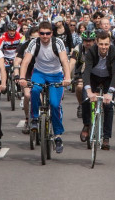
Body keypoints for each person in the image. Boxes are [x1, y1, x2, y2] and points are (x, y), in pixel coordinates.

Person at [19, 21, 71, 153]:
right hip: (39, 73)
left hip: (56, 75)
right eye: (42, 33)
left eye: (47, 33)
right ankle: (35, 118)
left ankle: (58, 136)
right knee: (35, 90)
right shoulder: (34, 43)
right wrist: (22, 78)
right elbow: (25, 61)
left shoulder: (58, 42)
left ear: (51, 33)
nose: (44, 36)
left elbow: (64, 61)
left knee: (54, 104)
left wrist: (67, 78)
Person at [80, 31, 115, 150]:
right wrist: (88, 91)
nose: (104, 47)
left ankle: (106, 137)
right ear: (97, 42)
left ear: (110, 44)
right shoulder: (91, 51)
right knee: (86, 99)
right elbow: (86, 71)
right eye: (101, 44)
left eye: (106, 44)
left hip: (108, 78)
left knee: (108, 106)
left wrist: (110, 93)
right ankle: (87, 125)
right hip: (93, 77)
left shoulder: (114, 52)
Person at [13, 27, 40, 134]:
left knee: (41, 96)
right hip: (28, 72)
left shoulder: (44, 45)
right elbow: (17, 61)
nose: (35, 41)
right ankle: (28, 119)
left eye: (37, 38)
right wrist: (17, 75)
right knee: (28, 95)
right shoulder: (24, 46)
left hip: (40, 72)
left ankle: (43, 117)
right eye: (32, 38)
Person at [70, 30, 96, 119]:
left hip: (95, 72)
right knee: (80, 87)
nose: (88, 43)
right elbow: (72, 62)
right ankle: (81, 104)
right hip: (81, 72)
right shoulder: (78, 48)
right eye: (86, 41)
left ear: (94, 41)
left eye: (90, 41)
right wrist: (67, 76)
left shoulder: (98, 48)